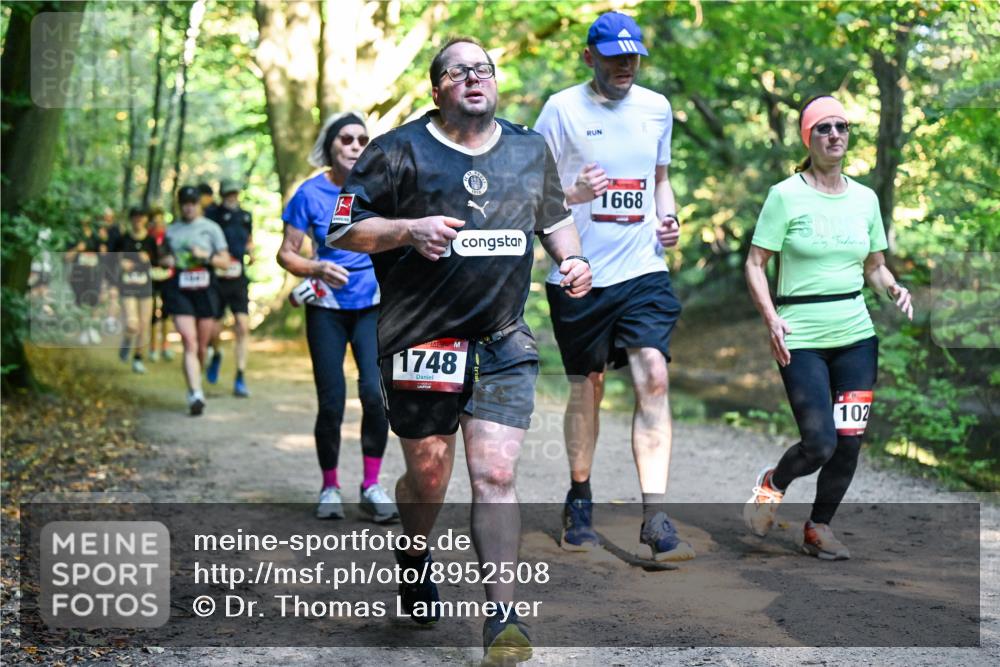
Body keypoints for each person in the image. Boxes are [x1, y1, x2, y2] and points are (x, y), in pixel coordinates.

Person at [327, 37, 591, 664]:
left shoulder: (529, 148)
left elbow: (553, 218)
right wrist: (405, 229)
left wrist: (573, 258)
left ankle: (502, 617)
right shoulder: (395, 151)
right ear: (437, 88)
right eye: (458, 71)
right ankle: (414, 556)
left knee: (496, 475)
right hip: (421, 340)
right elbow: (341, 226)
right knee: (429, 474)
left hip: (502, 339)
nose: (475, 78)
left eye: (484, 69)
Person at [533, 11, 692, 562]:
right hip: (580, 273)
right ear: (588, 57)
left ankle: (656, 518)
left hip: (643, 268)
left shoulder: (657, 108)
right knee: (589, 387)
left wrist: (668, 220)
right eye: (613, 55)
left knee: (654, 374)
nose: (626, 64)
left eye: (633, 56)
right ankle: (579, 496)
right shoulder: (560, 109)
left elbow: (661, 182)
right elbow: (531, 191)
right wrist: (574, 193)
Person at [743, 94, 913, 560]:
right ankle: (772, 483)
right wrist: (771, 318)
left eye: (841, 126)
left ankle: (818, 527)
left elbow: (874, 267)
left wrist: (893, 288)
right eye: (824, 128)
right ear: (809, 138)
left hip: (856, 336)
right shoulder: (785, 195)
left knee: (850, 443)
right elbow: (756, 264)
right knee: (820, 441)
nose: (835, 134)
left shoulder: (865, 199)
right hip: (802, 337)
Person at [277, 113, 399, 524]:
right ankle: (330, 486)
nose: (354, 145)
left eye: (362, 139)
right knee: (330, 402)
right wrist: (316, 269)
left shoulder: (380, 190)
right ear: (330, 146)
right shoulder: (308, 194)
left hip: (371, 305)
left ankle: (371, 486)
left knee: (374, 394)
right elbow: (287, 252)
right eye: (345, 138)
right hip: (326, 308)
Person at [160, 185, 231, 415]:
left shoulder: (212, 229)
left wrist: (206, 256)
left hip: (205, 289)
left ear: (199, 204)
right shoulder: (171, 231)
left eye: (192, 202)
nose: (188, 207)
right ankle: (196, 394)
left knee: (201, 346)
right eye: (184, 203)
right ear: (180, 205)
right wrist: (166, 261)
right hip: (179, 289)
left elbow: (225, 262)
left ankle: (196, 382)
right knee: (188, 341)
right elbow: (162, 257)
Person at [205, 179, 254, 397]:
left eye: (234, 193)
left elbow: (249, 239)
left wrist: (251, 252)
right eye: (228, 194)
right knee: (213, 330)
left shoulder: (245, 216)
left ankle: (240, 375)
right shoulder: (211, 215)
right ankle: (216, 354)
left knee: (243, 326)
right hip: (217, 280)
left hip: (238, 278)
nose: (231, 197)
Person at [115, 207, 158, 373]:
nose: (138, 220)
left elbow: (158, 262)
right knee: (133, 324)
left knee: (144, 325)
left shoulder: (151, 241)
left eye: (142, 217)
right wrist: (121, 263)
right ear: (131, 219)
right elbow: (112, 260)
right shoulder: (123, 239)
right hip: (127, 286)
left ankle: (138, 358)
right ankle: (127, 340)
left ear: (146, 219)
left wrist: (148, 261)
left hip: (146, 287)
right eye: (135, 217)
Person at [65, 215, 104, 344]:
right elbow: (66, 257)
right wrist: (77, 249)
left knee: (94, 300)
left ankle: (92, 329)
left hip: (94, 273)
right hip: (78, 274)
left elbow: (105, 255)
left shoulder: (98, 234)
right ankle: (83, 330)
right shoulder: (73, 235)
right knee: (80, 301)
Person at [148, 206, 176, 362]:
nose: (158, 222)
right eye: (155, 220)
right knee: (152, 313)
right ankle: (153, 347)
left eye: (160, 219)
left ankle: (166, 345)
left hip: (167, 278)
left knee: (166, 313)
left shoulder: (169, 237)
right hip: (151, 278)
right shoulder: (147, 238)